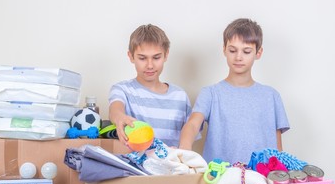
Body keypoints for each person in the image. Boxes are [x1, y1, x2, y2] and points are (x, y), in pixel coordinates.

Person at [179, 18, 290, 164]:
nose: (238, 57)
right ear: (224, 49)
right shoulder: (211, 93)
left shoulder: (271, 96)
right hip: (219, 179)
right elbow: (193, 124)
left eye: (246, 51)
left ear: (258, 52)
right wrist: (184, 148)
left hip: (262, 180)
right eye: (232, 50)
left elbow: (278, 149)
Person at [109, 24, 192, 148]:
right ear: (131, 56)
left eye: (156, 57)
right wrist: (120, 117)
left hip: (171, 166)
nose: (150, 65)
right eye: (142, 58)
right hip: (133, 166)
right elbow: (115, 110)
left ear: (166, 55)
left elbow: (188, 137)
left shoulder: (180, 96)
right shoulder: (122, 90)